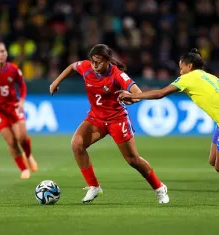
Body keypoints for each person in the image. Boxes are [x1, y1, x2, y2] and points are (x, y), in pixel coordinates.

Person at [118, 48, 219, 206]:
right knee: (213, 159)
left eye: (181, 68)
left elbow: (160, 93)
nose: (180, 72)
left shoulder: (188, 78)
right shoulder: (211, 77)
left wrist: (133, 95)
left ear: (190, 66)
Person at [49, 44, 169, 204]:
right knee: (77, 144)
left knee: (132, 160)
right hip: (95, 118)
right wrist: (56, 82)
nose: (95, 65)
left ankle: (159, 188)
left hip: (117, 120)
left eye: (98, 62)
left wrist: (132, 97)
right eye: (93, 62)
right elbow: (72, 66)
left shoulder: (117, 75)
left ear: (107, 61)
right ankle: (93, 186)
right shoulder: (86, 67)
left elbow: (138, 93)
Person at [0, 42, 38, 179]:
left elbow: (22, 85)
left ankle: (28, 155)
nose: (1, 54)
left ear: (6, 53)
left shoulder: (13, 69)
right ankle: (23, 169)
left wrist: (22, 100)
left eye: (3, 51)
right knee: (11, 141)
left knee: (22, 137)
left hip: (13, 106)